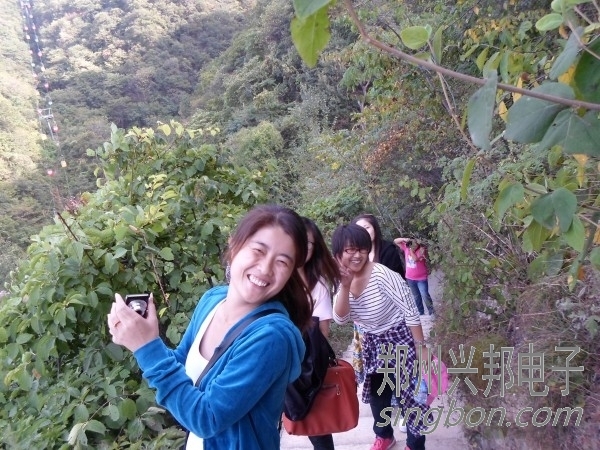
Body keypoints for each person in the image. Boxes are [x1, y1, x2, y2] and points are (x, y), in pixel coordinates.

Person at [107, 205, 312, 449]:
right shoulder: (212, 300)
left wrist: (147, 348)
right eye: (258, 250)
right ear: (234, 246)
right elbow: (182, 366)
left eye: (282, 262)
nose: (266, 269)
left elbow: (209, 418)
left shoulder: (271, 337)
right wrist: (139, 336)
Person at [331, 224, 429, 450]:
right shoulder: (341, 278)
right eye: (350, 250)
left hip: (399, 339)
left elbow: (410, 312)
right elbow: (341, 319)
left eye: (362, 249)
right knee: (378, 395)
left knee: (409, 396)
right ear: (338, 254)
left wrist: (421, 348)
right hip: (372, 343)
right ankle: (384, 436)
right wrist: (345, 286)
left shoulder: (383, 276)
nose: (357, 255)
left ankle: (415, 444)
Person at [298, 217, 341, 450]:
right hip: (270, 366)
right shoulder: (272, 279)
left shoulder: (319, 284)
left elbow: (322, 332)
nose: (302, 247)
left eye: (308, 243)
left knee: (318, 430)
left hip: (304, 368)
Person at [352, 214, 405, 279]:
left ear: (375, 228)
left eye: (367, 228)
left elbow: (393, 279)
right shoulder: (354, 254)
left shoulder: (389, 250)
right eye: (360, 230)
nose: (364, 232)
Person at [394, 237, 434, 318]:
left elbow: (415, 259)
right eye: (411, 243)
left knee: (425, 295)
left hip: (421, 278)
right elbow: (395, 241)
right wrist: (405, 239)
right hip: (410, 278)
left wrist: (411, 250)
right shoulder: (406, 247)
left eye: (414, 243)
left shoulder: (422, 249)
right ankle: (421, 312)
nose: (413, 245)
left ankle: (432, 312)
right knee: (416, 296)